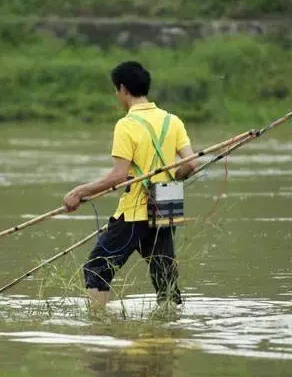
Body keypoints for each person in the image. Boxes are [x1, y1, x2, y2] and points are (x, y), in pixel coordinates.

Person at [63, 61, 198, 309]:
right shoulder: (173, 121)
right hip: (166, 204)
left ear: (123, 89)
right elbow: (191, 165)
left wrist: (79, 192)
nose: (117, 95)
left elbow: (118, 176)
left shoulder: (126, 125)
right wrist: (166, 178)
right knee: (165, 277)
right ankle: (169, 331)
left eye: (116, 90)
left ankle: (98, 327)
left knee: (97, 268)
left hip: (135, 209)